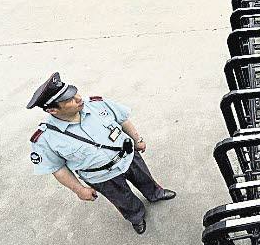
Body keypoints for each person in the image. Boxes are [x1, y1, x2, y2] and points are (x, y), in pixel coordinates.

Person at [26, 73, 176, 234]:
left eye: (74, 93)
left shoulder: (98, 104)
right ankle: (136, 216)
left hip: (128, 158)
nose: (78, 98)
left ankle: (155, 193)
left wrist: (138, 139)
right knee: (123, 199)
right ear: (52, 110)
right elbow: (57, 169)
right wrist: (79, 189)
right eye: (69, 100)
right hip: (102, 177)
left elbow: (122, 120)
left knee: (145, 178)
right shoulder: (45, 138)